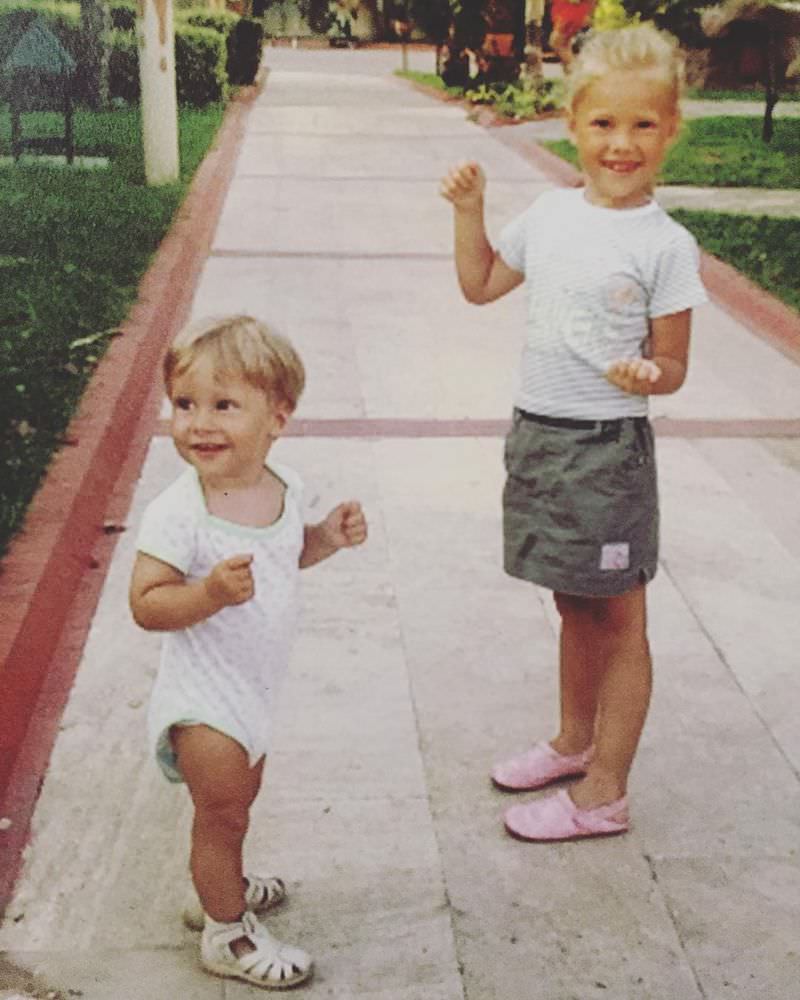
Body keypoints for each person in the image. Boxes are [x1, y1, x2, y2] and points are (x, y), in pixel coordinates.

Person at [439, 24, 706, 842]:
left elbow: (673, 366)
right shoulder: (552, 216)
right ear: (573, 123)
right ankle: (572, 741)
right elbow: (481, 284)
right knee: (572, 604)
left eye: (642, 125)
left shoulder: (666, 246)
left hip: (606, 452)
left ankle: (605, 794)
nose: (621, 144)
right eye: (604, 124)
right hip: (540, 439)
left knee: (618, 618)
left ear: (670, 131)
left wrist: (646, 377)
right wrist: (471, 211)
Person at [129, 315, 367, 987]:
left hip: (253, 689)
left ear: (278, 418)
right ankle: (226, 934)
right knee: (224, 808)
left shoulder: (282, 488)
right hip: (203, 699)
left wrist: (327, 536)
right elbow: (147, 602)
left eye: (224, 405)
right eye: (184, 404)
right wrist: (206, 593)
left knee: (235, 807)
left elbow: (287, 556)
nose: (199, 423)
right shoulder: (180, 512)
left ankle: (215, 885)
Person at [549, 0, 597, 66]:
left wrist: (589, 13)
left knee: (556, 42)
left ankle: (576, 69)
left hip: (569, 13)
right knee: (564, 45)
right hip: (565, 12)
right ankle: (571, 72)